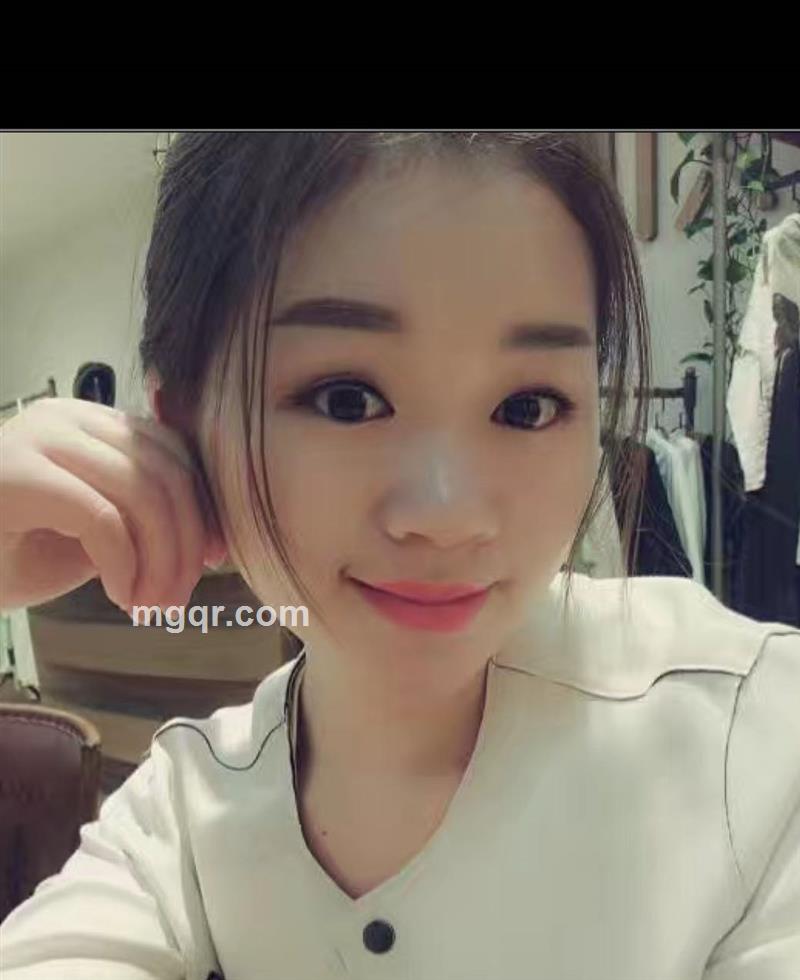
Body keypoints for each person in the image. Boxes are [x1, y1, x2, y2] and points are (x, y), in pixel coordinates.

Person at [0, 132, 798, 979]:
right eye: (347, 399)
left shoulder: (752, 744)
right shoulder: (182, 813)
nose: (449, 518)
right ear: (184, 432)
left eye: (528, 406)